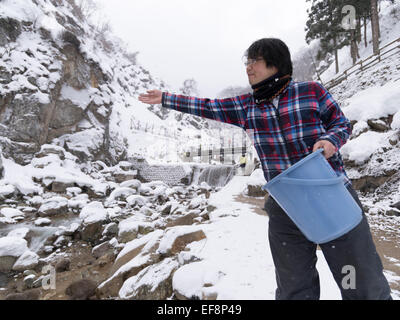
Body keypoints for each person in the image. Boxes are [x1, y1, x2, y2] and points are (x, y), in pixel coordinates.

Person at [138, 38, 392, 300]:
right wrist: (166, 98)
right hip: (286, 205)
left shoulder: (311, 91)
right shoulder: (246, 106)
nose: (248, 67)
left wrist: (330, 141)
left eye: (255, 61)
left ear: (276, 63)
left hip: (330, 195)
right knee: (294, 287)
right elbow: (208, 106)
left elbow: (341, 123)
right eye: (246, 62)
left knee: (361, 281)